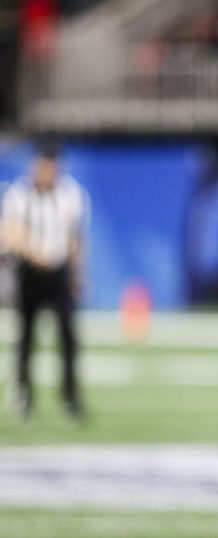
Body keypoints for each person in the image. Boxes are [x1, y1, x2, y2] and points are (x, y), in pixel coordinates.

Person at [0, 142, 89, 422]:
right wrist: (37, 255)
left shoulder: (71, 194)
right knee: (25, 336)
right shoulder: (19, 193)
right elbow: (10, 233)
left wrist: (76, 275)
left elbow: (76, 239)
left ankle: (70, 397)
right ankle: (23, 396)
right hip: (29, 272)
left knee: (68, 336)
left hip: (58, 272)